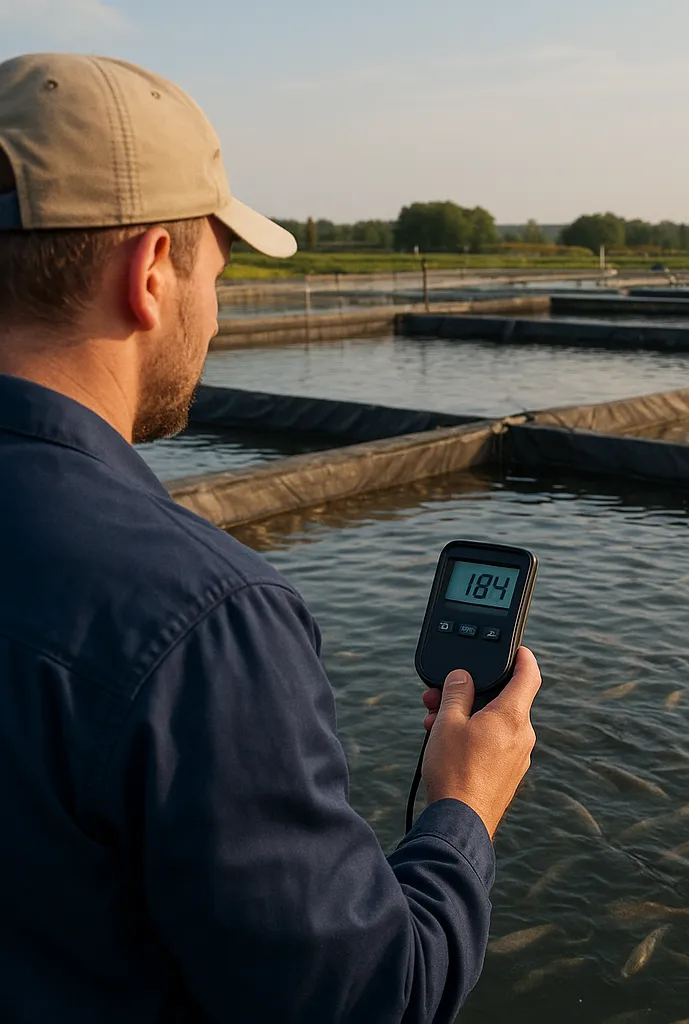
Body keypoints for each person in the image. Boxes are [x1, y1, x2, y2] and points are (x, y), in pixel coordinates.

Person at [0, 53, 541, 1023]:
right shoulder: (197, 621)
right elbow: (372, 1001)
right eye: (217, 270)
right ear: (151, 272)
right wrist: (463, 804)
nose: (213, 313)